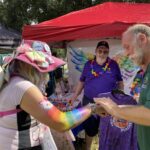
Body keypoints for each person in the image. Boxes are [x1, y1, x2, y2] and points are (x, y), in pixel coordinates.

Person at [0, 40, 101, 150]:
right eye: (43, 67)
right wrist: (92, 108)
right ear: (31, 67)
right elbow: (62, 122)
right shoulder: (23, 86)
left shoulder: (13, 81)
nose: (46, 72)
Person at [94, 24, 150, 150]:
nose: (126, 53)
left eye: (127, 47)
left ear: (142, 39)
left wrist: (115, 110)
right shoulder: (146, 71)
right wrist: (113, 108)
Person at [71, 41, 124, 150]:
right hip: (89, 102)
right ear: (95, 51)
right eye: (100, 51)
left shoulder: (114, 65)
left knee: (107, 130)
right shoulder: (88, 64)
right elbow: (81, 82)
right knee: (90, 130)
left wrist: (119, 97)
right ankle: (87, 148)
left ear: (108, 52)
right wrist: (75, 95)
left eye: (105, 51)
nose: (102, 53)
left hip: (108, 103)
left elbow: (120, 83)